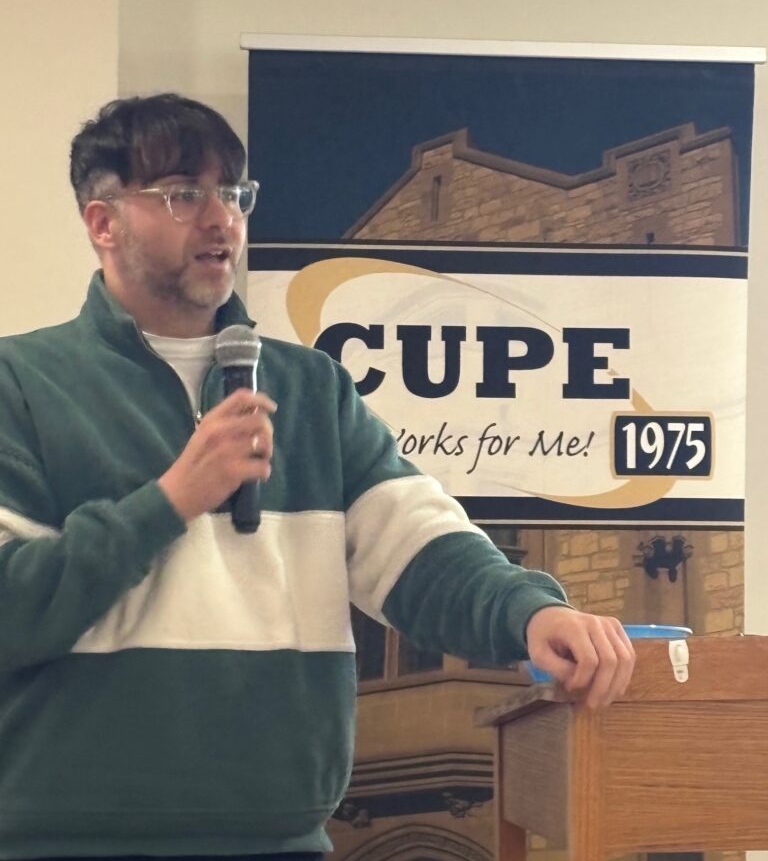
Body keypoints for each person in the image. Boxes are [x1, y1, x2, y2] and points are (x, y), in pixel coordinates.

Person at [0, 94, 634, 861]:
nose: (221, 219)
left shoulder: (312, 391)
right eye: (183, 194)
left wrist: (529, 614)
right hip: (63, 842)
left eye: (234, 193)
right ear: (103, 222)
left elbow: (420, 550)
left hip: (280, 841)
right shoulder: (21, 383)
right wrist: (171, 502)